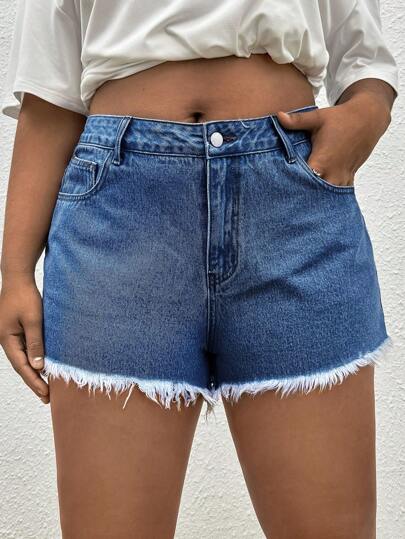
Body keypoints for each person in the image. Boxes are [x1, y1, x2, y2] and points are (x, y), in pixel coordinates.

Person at [0, 1, 399, 537]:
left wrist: (366, 114)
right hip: (121, 218)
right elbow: (50, 94)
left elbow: (365, 54)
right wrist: (15, 272)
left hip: (289, 209)